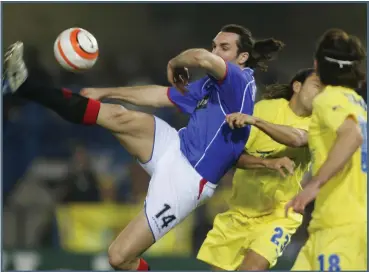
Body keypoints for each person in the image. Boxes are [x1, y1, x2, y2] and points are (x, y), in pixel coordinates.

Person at [2, 24, 284, 270]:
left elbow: (198, 57)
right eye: (214, 46)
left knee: (119, 257)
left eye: (224, 47)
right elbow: (160, 95)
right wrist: (106, 92)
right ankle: (23, 84)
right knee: (115, 114)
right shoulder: (210, 86)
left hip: (187, 180)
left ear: (242, 57)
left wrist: (175, 62)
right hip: (173, 145)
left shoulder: (238, 80)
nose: (215, 51)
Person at [227, 29, 367, 271]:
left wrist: (314, 185)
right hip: (330, 224)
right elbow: (306, 139)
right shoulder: (355, 101)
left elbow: (351, 136)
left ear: (317, 64)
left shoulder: (329, 99)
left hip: (340, 224)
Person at [197, 68, 321, 271]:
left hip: (280, 213)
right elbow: (232, 158)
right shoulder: (265, 109)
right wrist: (268, 163)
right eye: (317, 86)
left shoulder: (319, 122)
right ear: (297, 86)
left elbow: (297, 138)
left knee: (253, 268)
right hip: (239, 212)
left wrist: (256, 121)